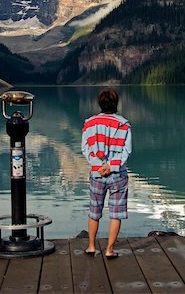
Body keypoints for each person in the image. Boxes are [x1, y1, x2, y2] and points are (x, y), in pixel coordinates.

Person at [81, 88, 132, 259]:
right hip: (118, 174)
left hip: (97, 174)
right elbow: (127, 151)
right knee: (116, 213)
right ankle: (110, 250)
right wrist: (111, 166)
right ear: (116, 103)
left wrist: (99, 165)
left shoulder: (89, 124)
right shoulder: (124, 124)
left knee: (94, 211)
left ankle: (91, 247)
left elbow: (85, 149)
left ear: (100, 103)